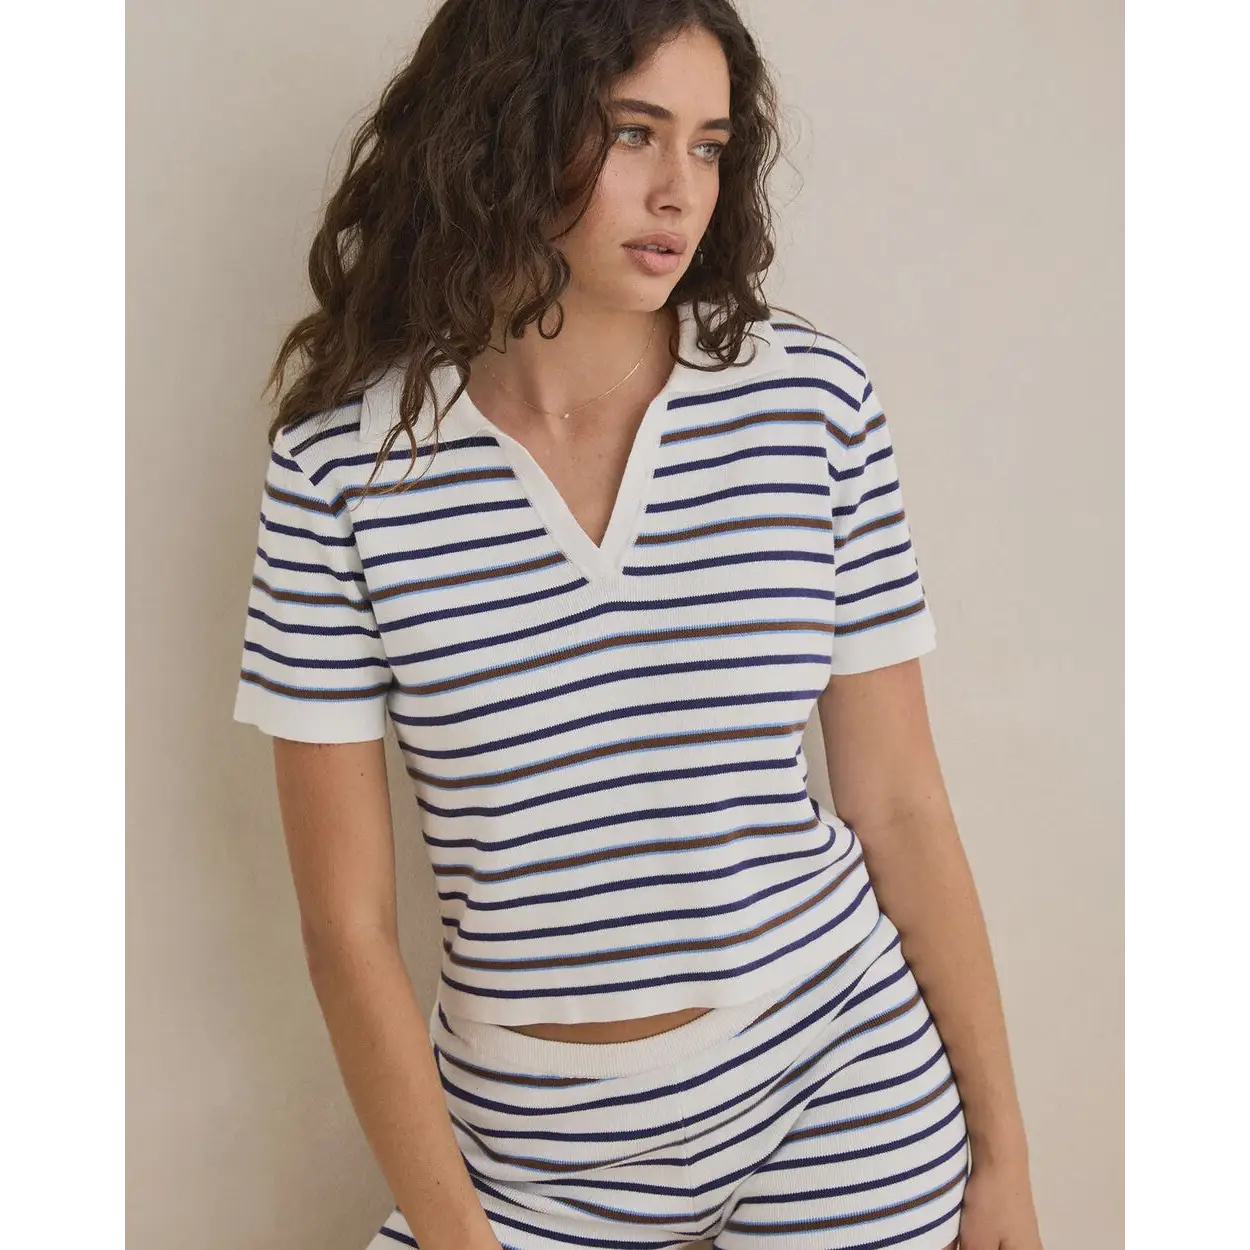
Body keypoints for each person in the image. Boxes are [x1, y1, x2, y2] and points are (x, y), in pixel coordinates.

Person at [233, 2, 1044, 1247]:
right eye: (631, 133)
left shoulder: (807, 402)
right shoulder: (341, 468)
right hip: (529, 1143)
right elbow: (346, 927)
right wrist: (457, 1232)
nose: (679, 192)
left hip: (834, 1066)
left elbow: (898, 804)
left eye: (708, 146)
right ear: (504, 130)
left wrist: (1003, 1157)